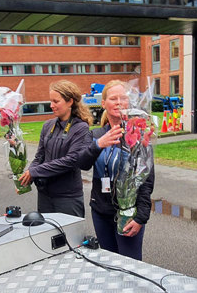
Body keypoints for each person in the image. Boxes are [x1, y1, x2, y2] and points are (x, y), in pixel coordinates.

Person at [79, 80, 154, 260]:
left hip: (129, 213)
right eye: (113, 98)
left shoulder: (138, 134)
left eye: (123, 98)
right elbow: (82, 163)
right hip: (101, 211)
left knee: (130, 264)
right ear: (103, 103)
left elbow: (146, 179)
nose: (119, 102)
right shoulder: (95, 135)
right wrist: (98, 145)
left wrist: (141, 217)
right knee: (109, 262)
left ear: (129, 103)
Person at [19, 80, 93, 217]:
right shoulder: (48, 125)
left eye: (56, 101)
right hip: (45, 195)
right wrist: (28, 174)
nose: (51, 105)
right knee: (47, 236)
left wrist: (35, 171)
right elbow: (40, 156)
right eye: (50, 101)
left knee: (69, 238)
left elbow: (71, 161)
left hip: (67, 197)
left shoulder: (81, 128)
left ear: (70, 101)